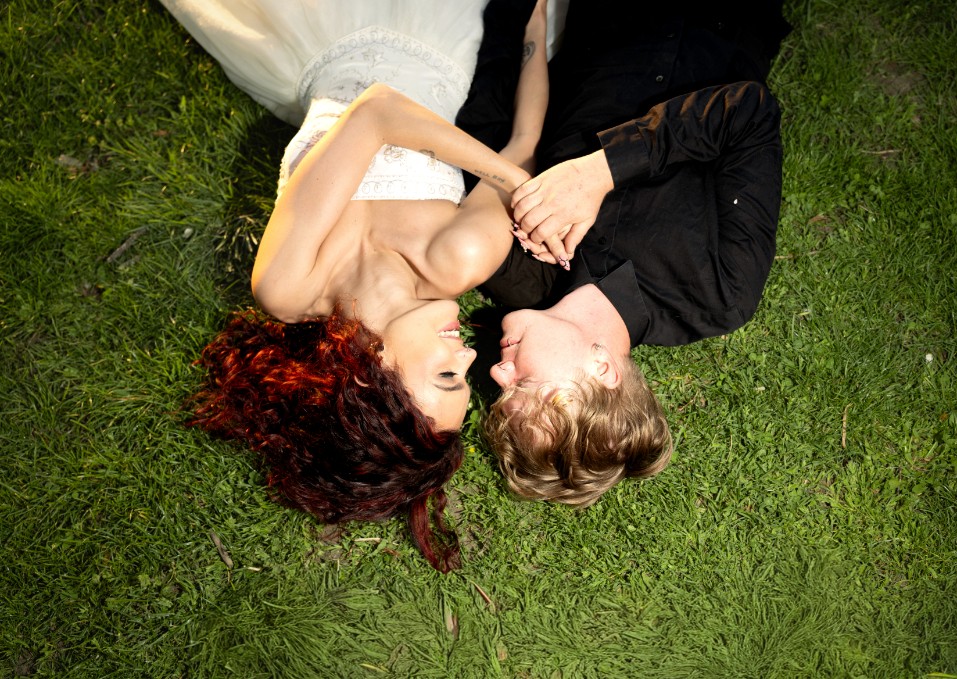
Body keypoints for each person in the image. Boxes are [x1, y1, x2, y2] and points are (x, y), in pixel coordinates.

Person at [163, 0, 554, 572]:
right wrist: (535, 35)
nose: (469, 351)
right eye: (467, 373)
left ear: (372, 377)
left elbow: (375, 114)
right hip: (435, 35)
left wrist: (515, 183)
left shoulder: (288, 289)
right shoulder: (458, 258)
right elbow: (522, 139)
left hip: (319, 39)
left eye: (448, 374)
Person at [468, 1, 791, 507]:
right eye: (524, 386)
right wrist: (601, 171)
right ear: (604, 371)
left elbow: (488, 138)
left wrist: (511, 16)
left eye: (502, 393)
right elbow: (749, 112)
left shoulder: (518, 273)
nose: (497, 374)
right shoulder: (719, 293)